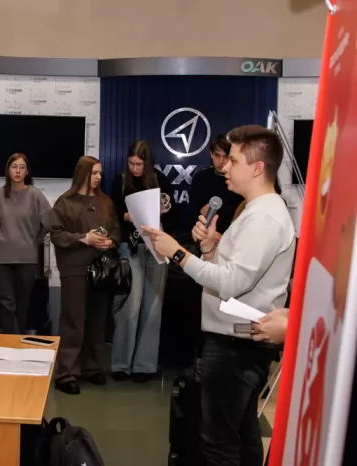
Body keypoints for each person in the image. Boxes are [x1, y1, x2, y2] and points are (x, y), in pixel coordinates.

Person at [141, 125, 296, 466]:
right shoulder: (254, 211)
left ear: (257, 168)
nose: (225, 166)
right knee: (241, 435)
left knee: (219, 444)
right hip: (235, 342)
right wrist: (211, 248)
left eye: (234, 160)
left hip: (236, 347)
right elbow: (233, 273)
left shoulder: (265, 217)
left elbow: (230, 284)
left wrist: (178, 253)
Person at [50, 156, 120, 395]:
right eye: (94, 173)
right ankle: (66, 373)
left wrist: (110, 241)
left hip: (101, 269)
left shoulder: (105, 202)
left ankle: (92, 367)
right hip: (74, 269)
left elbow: (115, 229)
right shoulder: (65, 202)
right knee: (74, 321)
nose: (99, 177)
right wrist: (84, 238)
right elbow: (56, 234)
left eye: (100, 173)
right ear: (83, 174)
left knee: (97, 320)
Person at [110, 141, 176, 383]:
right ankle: (121, 364)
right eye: (131, 163)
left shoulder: (160, 180)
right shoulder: (120, 181)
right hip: (131, 247)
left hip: (156, 247)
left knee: (153, 306)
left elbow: (174, 214)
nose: (135, 168)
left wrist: (164, 211)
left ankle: (144, 366)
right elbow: (112, 213)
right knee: (130, 305)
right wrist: (126, 216)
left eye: (139, 164)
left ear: (148, 164)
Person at [0, 153, 51, 335]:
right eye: (14, 166)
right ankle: (10, 341)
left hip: (27, 258)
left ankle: (17, 343)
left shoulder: (35, 194)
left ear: (27, 172)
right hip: (1, 258)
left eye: (22, 167)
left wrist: (35, 239)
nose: (17, 171)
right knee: (5, 304)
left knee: (22, 305)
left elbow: (49, 222)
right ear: (8, 170)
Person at [190, 134, 244, 234]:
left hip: (233, 235)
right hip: (203, 234)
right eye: (217, 155)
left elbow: (242, 213)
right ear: (211, 154)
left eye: (226, 156)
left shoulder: (240, 181)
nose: (221, 161)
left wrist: (218, 210)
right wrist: (200, 212)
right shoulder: (200, 178)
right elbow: (191, 214)